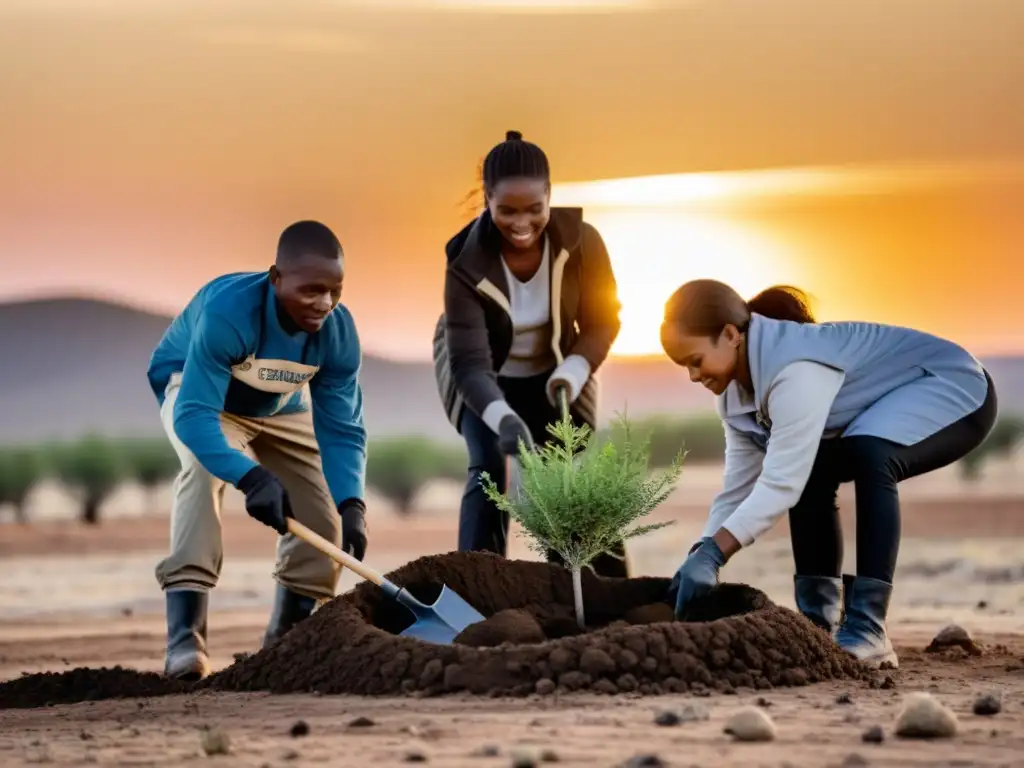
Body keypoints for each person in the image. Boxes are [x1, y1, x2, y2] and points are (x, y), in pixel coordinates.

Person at [660, 279, 997, 668]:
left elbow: (780, 484)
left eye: (695, 360)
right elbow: (738, 489)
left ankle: (868, 629)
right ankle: (817, 627)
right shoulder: (735, 396)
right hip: (890, 408)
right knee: (813, 468)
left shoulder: (796, 368)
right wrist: (701, 551)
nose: (692, 376)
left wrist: (717, 554)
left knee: (872, 454)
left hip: (956, 386)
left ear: (731, 335)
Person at [146, 220, 369, 681]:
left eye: (335, 290)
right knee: (202, 473)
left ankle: (287, 643)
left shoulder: (338, 334)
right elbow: (192, 417)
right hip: (198, 398)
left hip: (278, 406)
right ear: (276, 279)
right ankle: (186, 638)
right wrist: (251, 477)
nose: (324, 303)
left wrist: (353, 502)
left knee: (324, 512)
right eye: (311, 290)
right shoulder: (230, 313)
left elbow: (341, 428)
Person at [432, 130, 629, 578]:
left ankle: (594, 587)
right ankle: (479, 586)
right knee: (490, 471)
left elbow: (603, 321)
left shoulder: (584, 243)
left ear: (550, 197)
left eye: (533, 209)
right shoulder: (465, 261)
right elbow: (469, 362)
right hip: (481, 378)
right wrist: (502, 418)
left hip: (559, 370)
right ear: (487, 200)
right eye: (507, 210)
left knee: (567, 473)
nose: (521, 223)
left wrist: (574, 372)